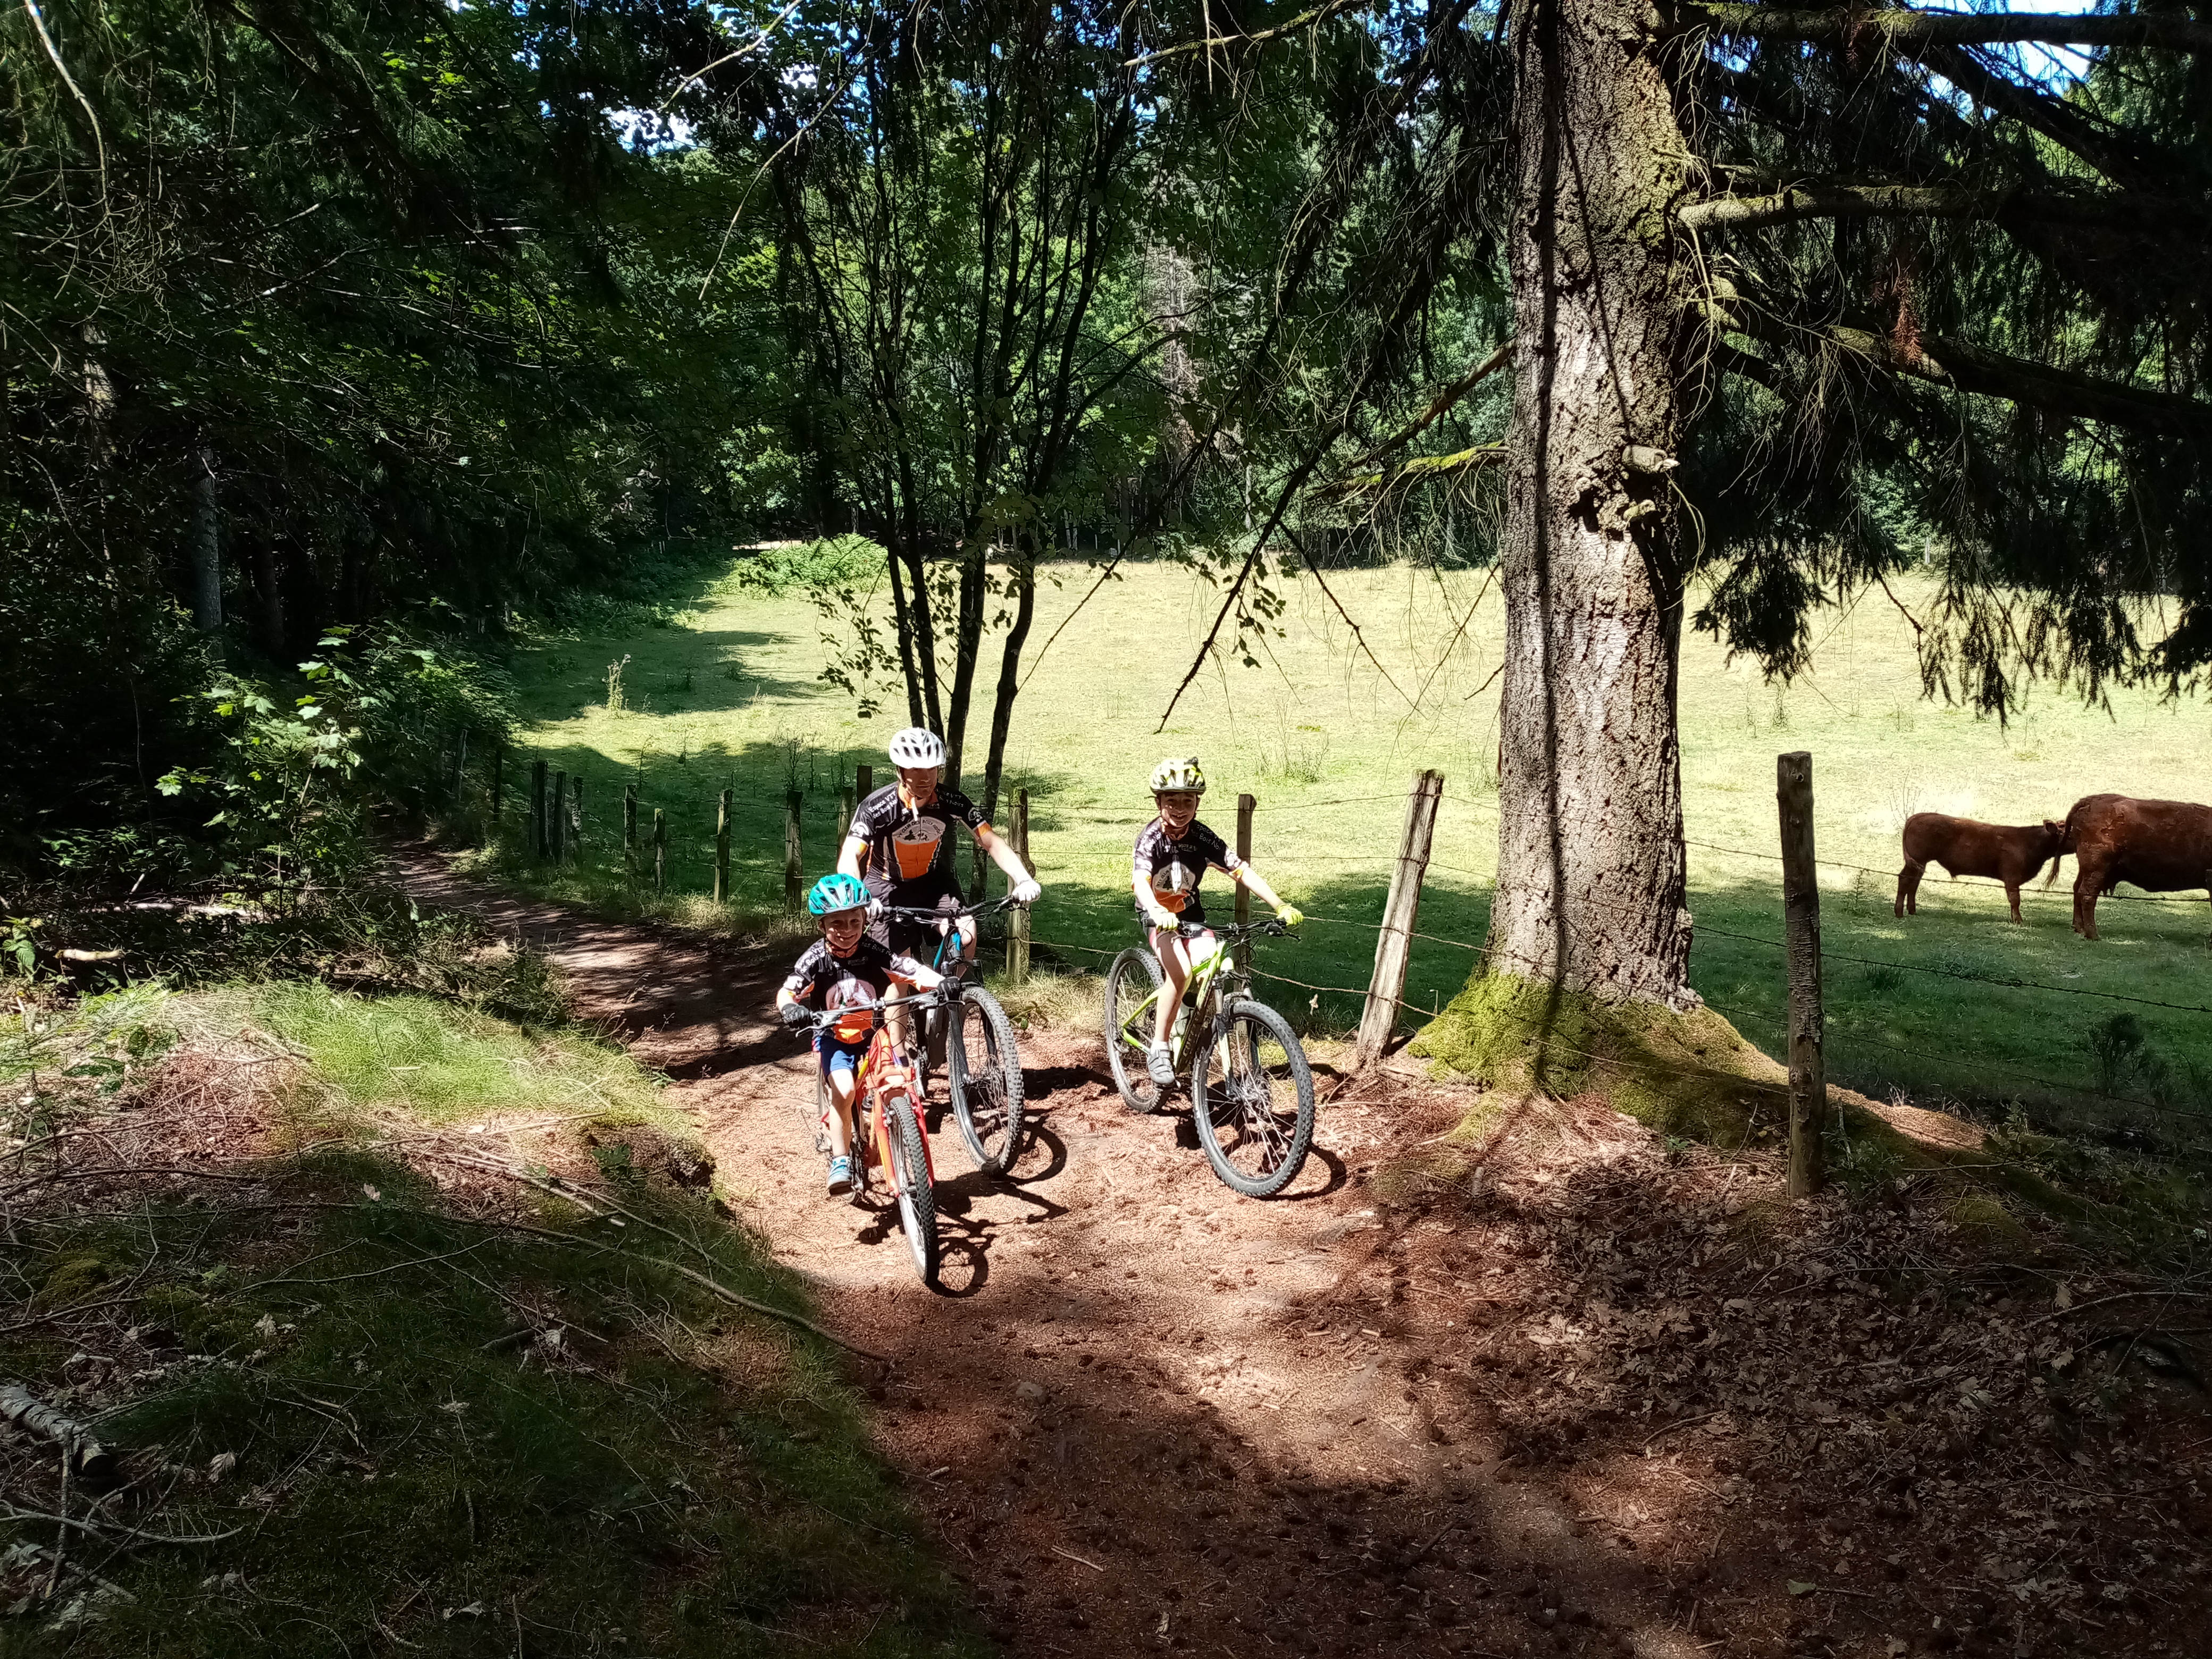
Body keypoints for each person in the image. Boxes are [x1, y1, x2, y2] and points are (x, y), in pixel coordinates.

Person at [1132, 757, 1301, 1086]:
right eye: (1172, 801)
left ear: (1197, 803)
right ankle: (1160, 1047)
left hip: (1191, 915)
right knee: (1179, 973)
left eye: (1188, 801)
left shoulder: (1202, 836)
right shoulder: (1151, 838)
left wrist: (1279, 904)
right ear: (1158, 802)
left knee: (1214, 964)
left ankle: (1183, 1014)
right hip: (1157, 917)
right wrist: (1156, 910)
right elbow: (1141, 880)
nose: (1180, 808)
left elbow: (1240, 870)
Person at [775, 872, 945, 1196]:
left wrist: (940, 983)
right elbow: (788, 990)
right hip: (835, 1037)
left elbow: (908, 969)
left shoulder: (872, 949)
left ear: (865, 919)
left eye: (855, 921)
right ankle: (840, 1159)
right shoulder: (816, 959)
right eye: (837, 924)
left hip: (873, 1033)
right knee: (843, 1089)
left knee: (896, 1078)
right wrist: (790, 1009)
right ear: (822, 925)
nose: (847, 931)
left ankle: (901, 1139)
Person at [839, 726, 1042, 976]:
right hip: (886, 886)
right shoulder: (877, 807)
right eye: (916, 769)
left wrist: (1023, 878)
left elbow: (991, 841)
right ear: (900, 771)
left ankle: (948, 998)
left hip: (933, 883)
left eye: (932, 768)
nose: (926, 777)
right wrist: (861, 898)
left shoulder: (951, 800)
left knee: (966, 934)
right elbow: (850, 855)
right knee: (899, 977)